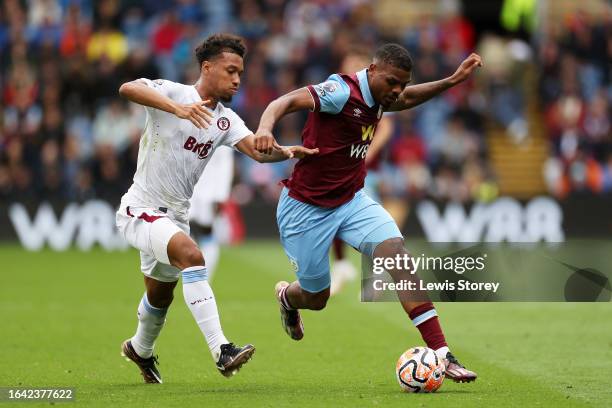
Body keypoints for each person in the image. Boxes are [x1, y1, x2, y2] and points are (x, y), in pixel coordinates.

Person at [254, 43, 482, 382]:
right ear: (372, 71)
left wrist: (451, 80)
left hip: (351, 200)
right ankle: (288, 297)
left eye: (402, 83)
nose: (397, 91)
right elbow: (284, 101)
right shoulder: (339, 92)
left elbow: (407, 99)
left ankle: (442, 354)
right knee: (315, 299)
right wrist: (264, 128)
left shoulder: (384, 96)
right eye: (392, 82)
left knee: (399, 260)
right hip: (306, 208)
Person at [116, 33, 317, 384]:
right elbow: (128, 88)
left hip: (175, 215)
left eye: (240, 72)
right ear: (207, 68)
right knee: (193, 257)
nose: (237, 79)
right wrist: (176, 109)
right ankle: (222, 349)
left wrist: (284, 152)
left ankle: (139, 348)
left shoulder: (225, 120)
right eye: (230, 71)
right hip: (141, 207)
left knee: (160, 295)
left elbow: (256, 149)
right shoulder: (175, 93)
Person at [189, 145, 234, 279]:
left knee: (206, 232)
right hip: (187, 190)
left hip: (208, 193)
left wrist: (220, 197)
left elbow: (226, 166)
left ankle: (205, 278)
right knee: (184, 231)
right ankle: (192, 273)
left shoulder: (223, 128)